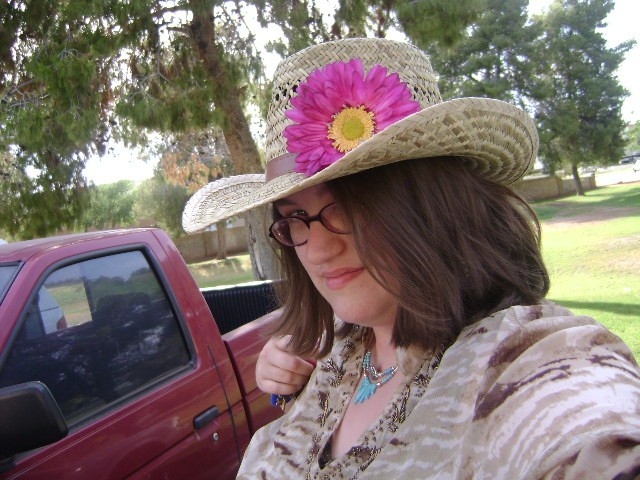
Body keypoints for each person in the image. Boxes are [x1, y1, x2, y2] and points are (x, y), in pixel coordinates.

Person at [182, 38, 640, 479]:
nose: (318, 250)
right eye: (296, 217)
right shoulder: (337, 348)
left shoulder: (524, 361)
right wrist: (292, 388)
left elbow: (582, 430)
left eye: (349, 206)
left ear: (434, 203)